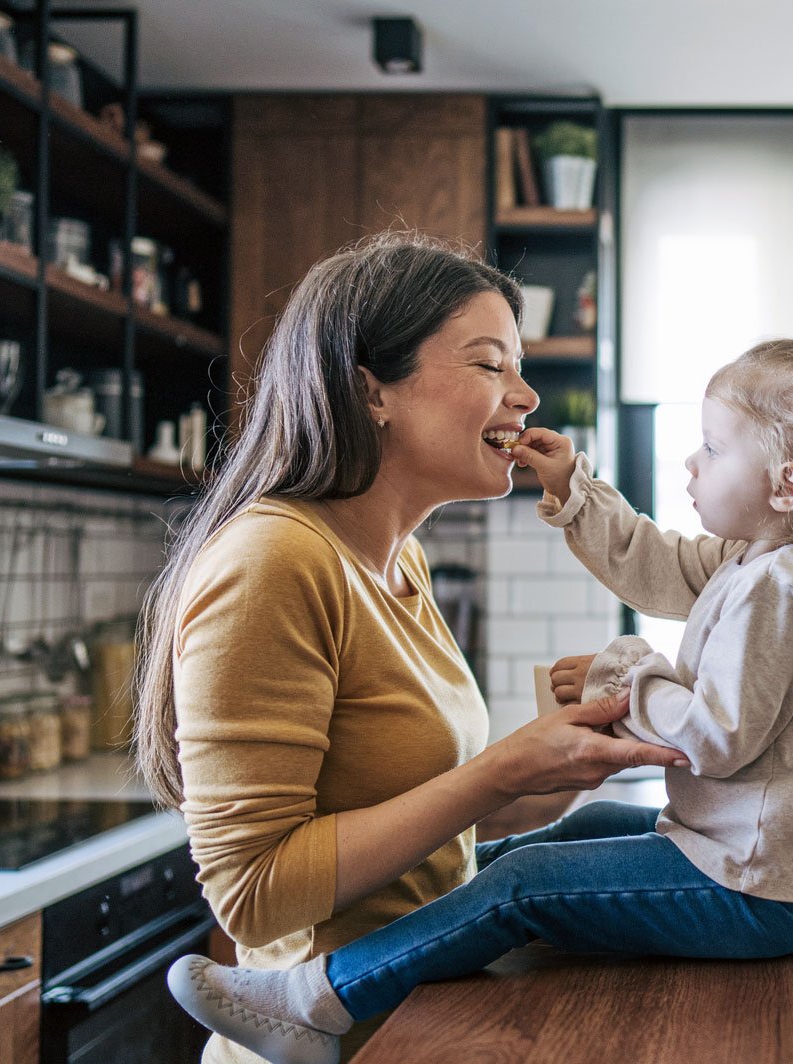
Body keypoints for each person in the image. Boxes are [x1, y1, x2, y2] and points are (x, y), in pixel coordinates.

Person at [167, 307, 793, 1064]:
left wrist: (626, 673)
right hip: (746, 865)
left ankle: (315, 1002)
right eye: (491, 363)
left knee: (529, 879)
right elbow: (657, 567)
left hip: (751, 885)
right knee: (573, 839)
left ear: (788, 484)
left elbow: (717, 740)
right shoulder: (770, 557)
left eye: (711, 447)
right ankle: (430, 933)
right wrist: (576, 490)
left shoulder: (781, 583)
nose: (691, 465)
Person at [133, 231, 690, 1064]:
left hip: (420, 1029)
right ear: (370, 390)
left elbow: (432, 828)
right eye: (488, 364)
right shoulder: (273, 560)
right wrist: (502, 767)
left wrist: (552, 770)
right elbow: (251, 896)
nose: (526, 395)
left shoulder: (401, 562)